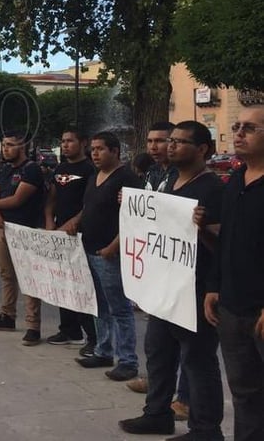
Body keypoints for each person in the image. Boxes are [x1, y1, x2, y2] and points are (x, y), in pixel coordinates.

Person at [119, 121, 225, 439]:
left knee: (198, 361)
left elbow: (224, 244)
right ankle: (157, 413)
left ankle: (206, 429)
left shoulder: (213, 189)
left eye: (180, 142)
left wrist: (203, 228)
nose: (171, 146)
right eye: (171, 141)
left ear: (202, 149)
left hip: (195, 291)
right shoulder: (168, 182)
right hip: (165, 289)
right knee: (158, 353)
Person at [204, 107, 264, 441]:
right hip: (232, 306)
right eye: (237, 126)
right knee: (244, 392)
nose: (239, 133)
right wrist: (214, 286)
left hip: (260, 309)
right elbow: (227, 239)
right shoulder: (235, 180)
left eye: (249, 128)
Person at [75, 131, 141, 381]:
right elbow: (88, 208)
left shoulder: (127, 178)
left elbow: (133, 218)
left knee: (119, 307)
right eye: (92, 149)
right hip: (90, 249)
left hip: (109, 253)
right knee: (99, 305)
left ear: (115, 151)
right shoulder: (95, 176)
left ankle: (127, 360)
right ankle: (103, 350)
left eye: (101, 149)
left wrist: (114, 246)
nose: (95, 153)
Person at [0, 130, 46, 345]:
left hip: (25, 229)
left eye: (10, 144)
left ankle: (33, 325)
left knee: (29, 277)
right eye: (4, 145)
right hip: (2, 227)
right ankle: (7, 315)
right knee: (6, 274)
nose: (5, 149)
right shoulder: (3, 168)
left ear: (22, 147)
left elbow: (17, 200)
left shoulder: (32, 170)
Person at [44, 128, 98, 352]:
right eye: (63, 141)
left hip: (82, 235)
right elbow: (52, 197)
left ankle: (93, 336)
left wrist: (75, 222)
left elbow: (92, 202)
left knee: (83, 286)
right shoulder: (61, 168)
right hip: (60, 234)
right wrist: (49, 221)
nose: (65, 145)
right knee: (62, 283)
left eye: (70, 141)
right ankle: (69, 329)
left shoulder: (90, 169)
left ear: (83, 143)